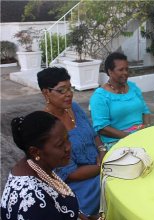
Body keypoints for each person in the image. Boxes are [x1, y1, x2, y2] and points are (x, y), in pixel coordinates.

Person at [37, 67, 105, 219]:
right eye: (62, 90)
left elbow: (93, 134)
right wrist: (103, 168)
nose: (69, 94)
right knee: (118, 185)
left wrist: (102, 150)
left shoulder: (72, 107)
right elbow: (70, 173)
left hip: (100, 164)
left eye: (70, 88)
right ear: (46, 92)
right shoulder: (47, 125)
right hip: (82, 184)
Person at [1, 111, 82, 220]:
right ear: (35, 151)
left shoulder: (36, 166)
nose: (68, 147)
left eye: (67, 139)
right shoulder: (34, 202)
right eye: (60, 144)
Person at [90, 52, 151, 150]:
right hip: (116, 141)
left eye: (127, 69)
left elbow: (145, 111)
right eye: (121, 70)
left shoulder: (133, 87)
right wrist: (130, 136)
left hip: (141, 135)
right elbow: (102, 128)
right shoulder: (100, 96)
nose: (125, 73)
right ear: (110, 72)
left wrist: (147, 127)